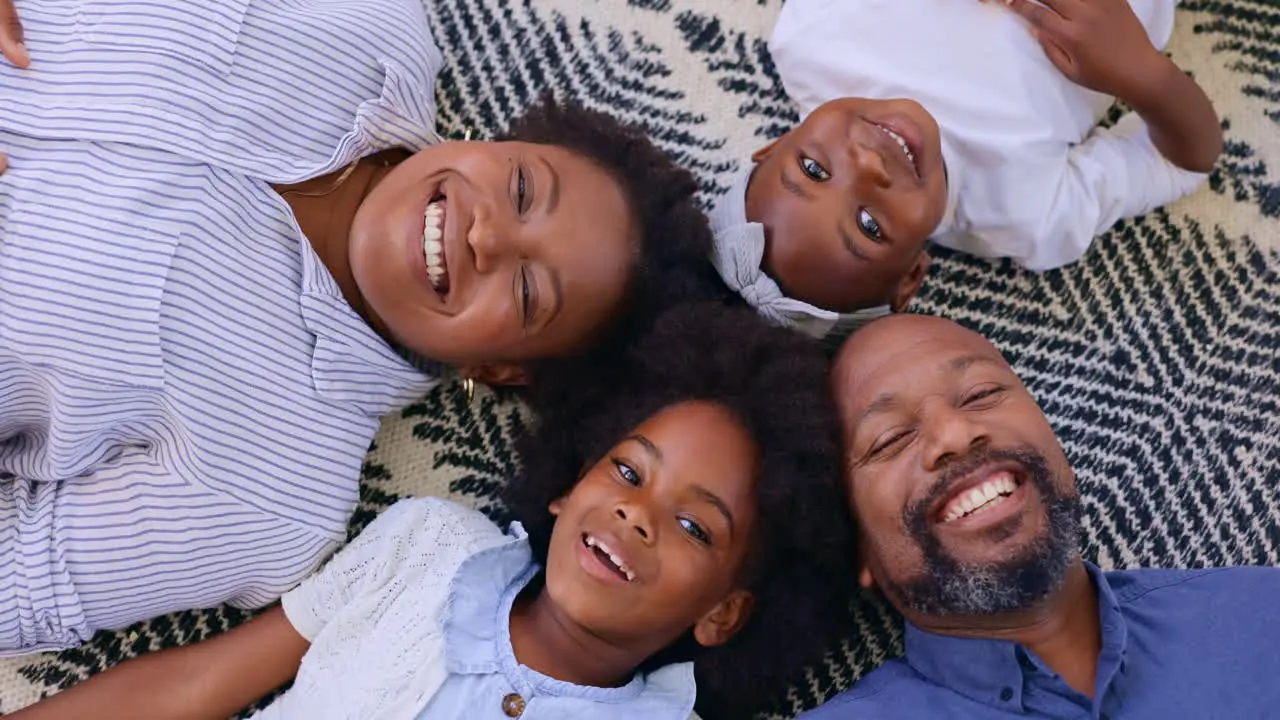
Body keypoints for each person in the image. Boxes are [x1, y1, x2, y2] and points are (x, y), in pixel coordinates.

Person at [0, 0, 720, 654]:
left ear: (502, 369)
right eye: (522, 186)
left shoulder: (271, 486)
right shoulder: (367, 20)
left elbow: (19, 587)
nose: (489, 236)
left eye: (528, 291)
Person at [7, 302, 855, 720]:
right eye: (628, 472)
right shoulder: (430, 546)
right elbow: (201, 679)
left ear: (724, 612)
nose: (638, 515)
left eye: (696, 525)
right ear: (565, 486)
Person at [801, 313, 1280, 718]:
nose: (955, 433)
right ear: (859, 547)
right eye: (890, 439)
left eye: (980, 393)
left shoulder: (1264, 613)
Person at [710, 0, 1222, 338]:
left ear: (774, 145)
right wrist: (1139, 70)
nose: (866, 165)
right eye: (870, 225)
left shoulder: (809, 41)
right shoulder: (1025, 215)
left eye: (814, 169)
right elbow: (1182, 162)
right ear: (911, 277)